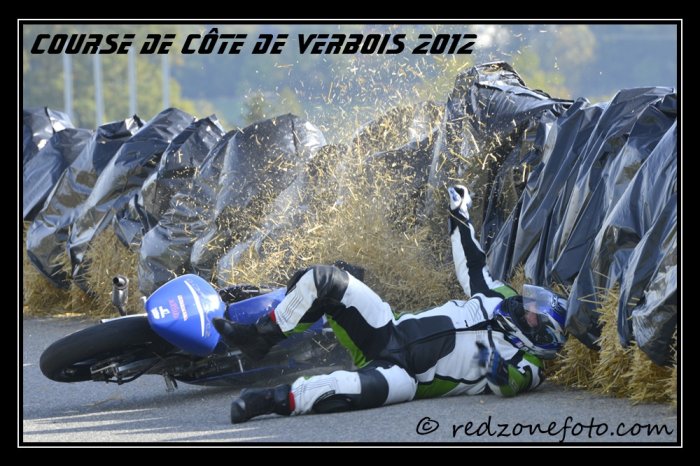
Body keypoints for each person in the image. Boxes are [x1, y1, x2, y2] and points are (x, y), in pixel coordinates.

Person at [213, 185, 568, 424]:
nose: (527, 308)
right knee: (325, 278)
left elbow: (506, 383)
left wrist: (491, 357)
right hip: (387, 327)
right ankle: (260, 337)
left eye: (534, 315)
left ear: (540, 338)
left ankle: (266, 400)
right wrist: (459, 213)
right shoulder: (501, 296)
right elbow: (473, 267)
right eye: (533, 303)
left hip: (404, 377)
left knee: (345, 389)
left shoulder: (530, 367)